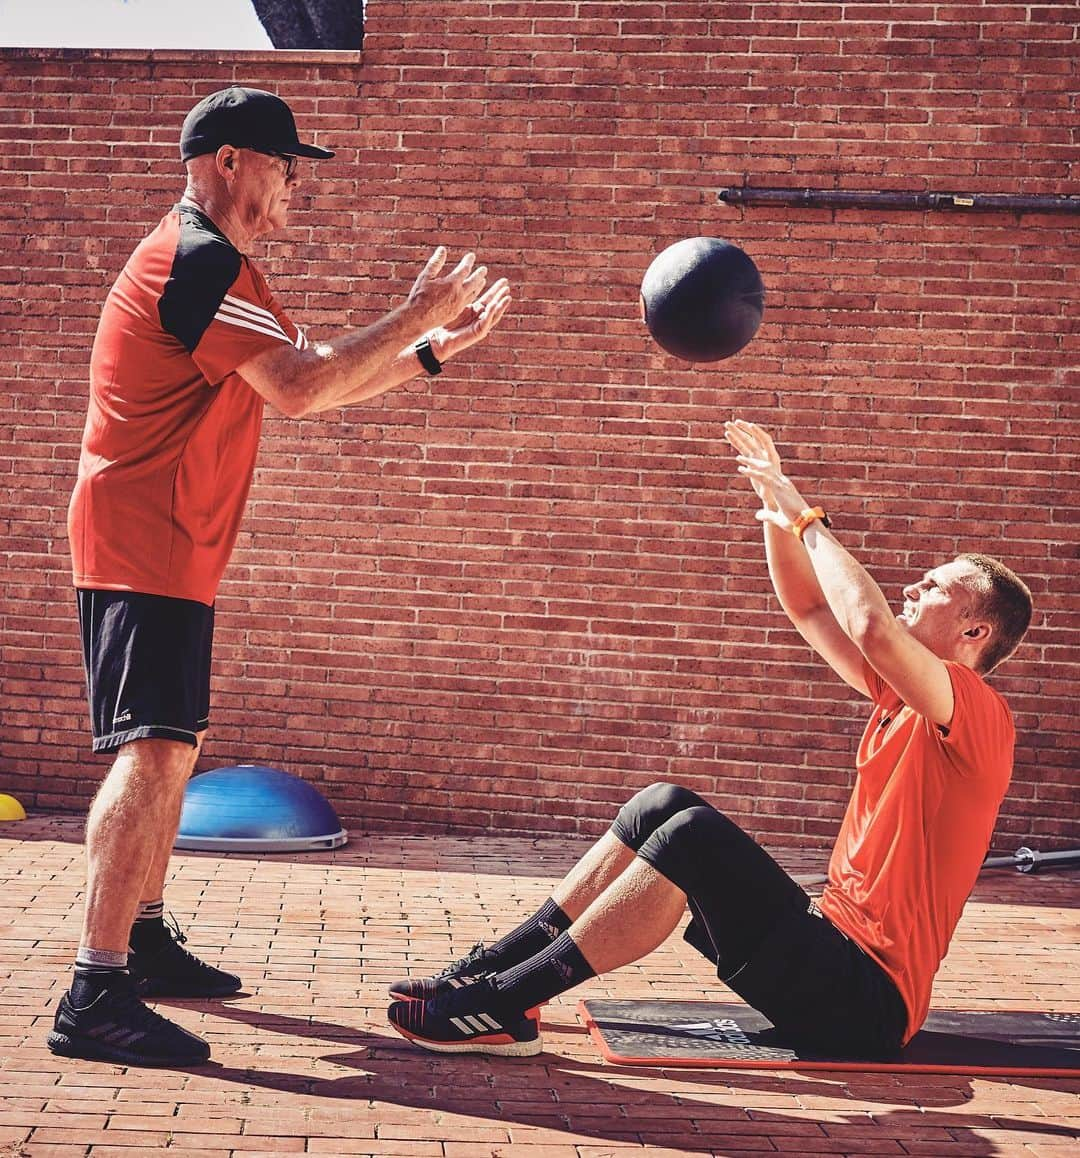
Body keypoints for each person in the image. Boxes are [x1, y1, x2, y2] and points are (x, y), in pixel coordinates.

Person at [50, 86, 512, 1068]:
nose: (295, 184)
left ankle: (139, 937)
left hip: (167, 543)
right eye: (283, 164)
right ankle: (96, 990)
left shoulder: (217, 268)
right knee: (150, 750)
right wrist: (414, 311)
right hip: (144, 540)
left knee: (173, 747)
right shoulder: (199, 259)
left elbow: (313, 382)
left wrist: (424, 352)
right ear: (226, 161)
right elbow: (305, 384)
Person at [386, 419, 1033, 1058]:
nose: (915, 585)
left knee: (690, 840)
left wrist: (808, 519)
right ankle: (494, 970)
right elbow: (810, 610)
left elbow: (870, 627)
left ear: (974, 633)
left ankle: (503, 1000)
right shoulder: (902, 700)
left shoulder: (980, 717)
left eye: (937, 587)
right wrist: (774, 509)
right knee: (660, 805)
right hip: (823, 950)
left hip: (867, 1001)